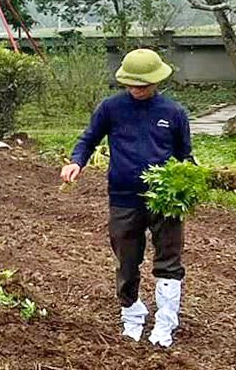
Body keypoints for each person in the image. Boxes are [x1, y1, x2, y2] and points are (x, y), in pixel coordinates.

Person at [61, 47, 193, 348]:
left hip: (164, 199)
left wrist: (195, 180)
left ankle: (165, 322)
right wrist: (76, 162)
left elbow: (185, 155)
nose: (137, 89)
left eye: (143, 85)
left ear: (156, 82)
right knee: (126, 259)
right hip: (123, 197)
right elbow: (89, 138)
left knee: (169, 261)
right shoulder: (111, 108)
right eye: (132, 84)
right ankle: (132, 313)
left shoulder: (173, 113)